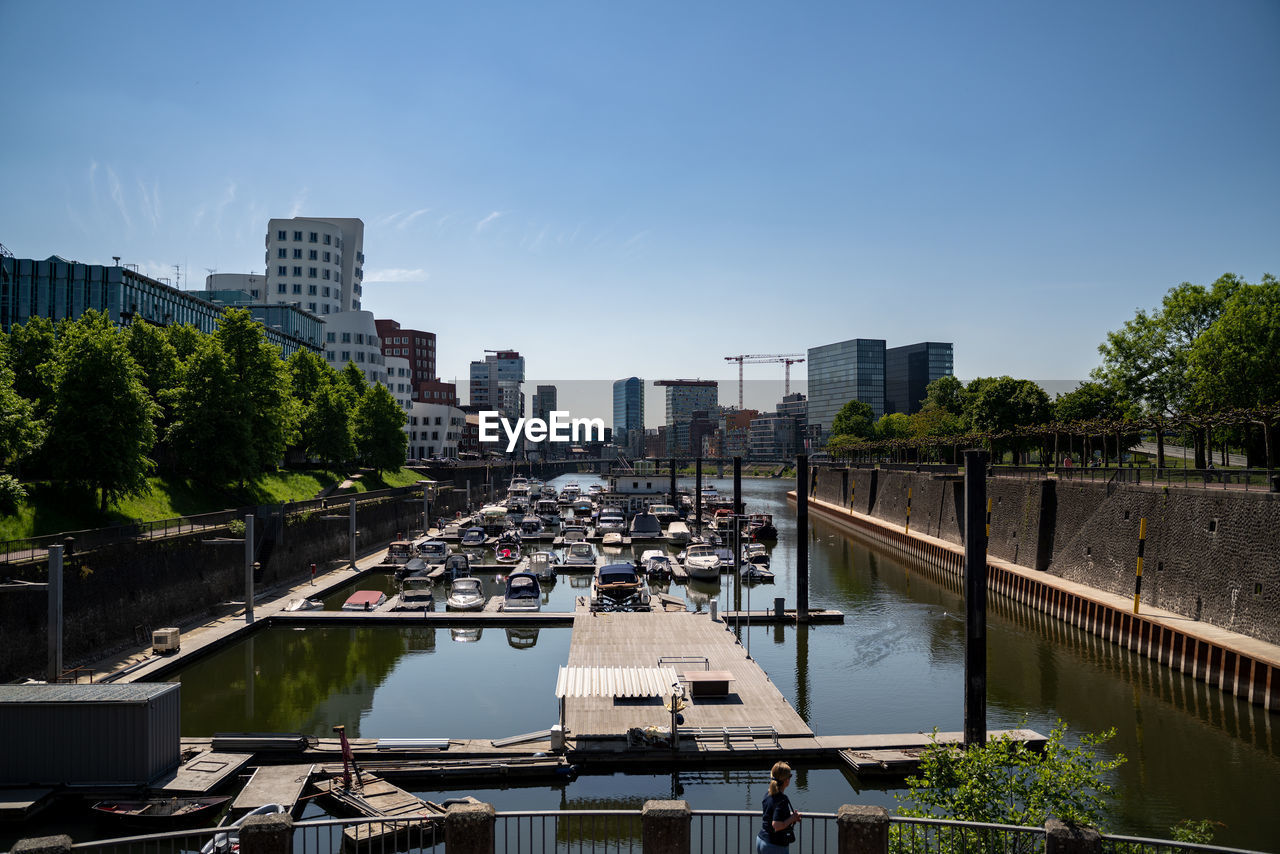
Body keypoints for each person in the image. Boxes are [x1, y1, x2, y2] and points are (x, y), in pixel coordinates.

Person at [757, 761, 801, 852]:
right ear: (786, 780)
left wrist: (790, 818)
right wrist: (792, 818)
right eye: (790, 776)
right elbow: (776, 825)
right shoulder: (782, 800)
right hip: (774, 845)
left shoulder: (767, 794)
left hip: (761, 840)